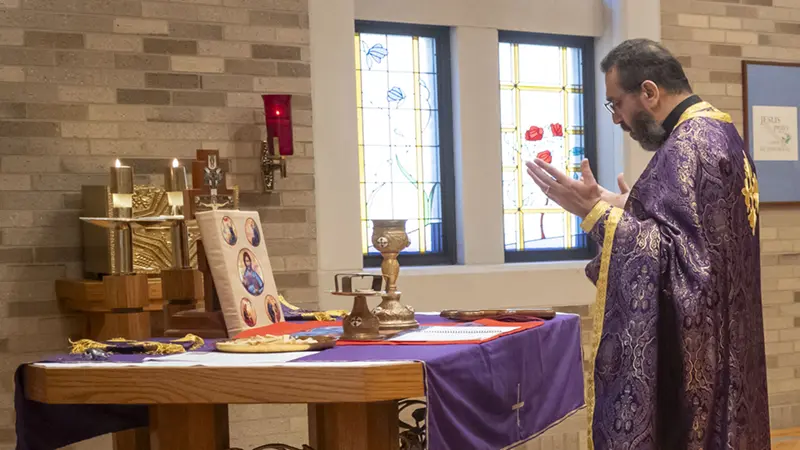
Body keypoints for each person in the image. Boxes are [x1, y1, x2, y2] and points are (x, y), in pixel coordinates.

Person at [526, 39, 770, 449]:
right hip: (730, 347)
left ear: (650, 92)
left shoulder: (688, 146)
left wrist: (596, 215)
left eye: (616, 104)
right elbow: (702, 237)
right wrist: (624, 204)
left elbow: (688, 267)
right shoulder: (720, 132)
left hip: (702, 368)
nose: (618, 119)